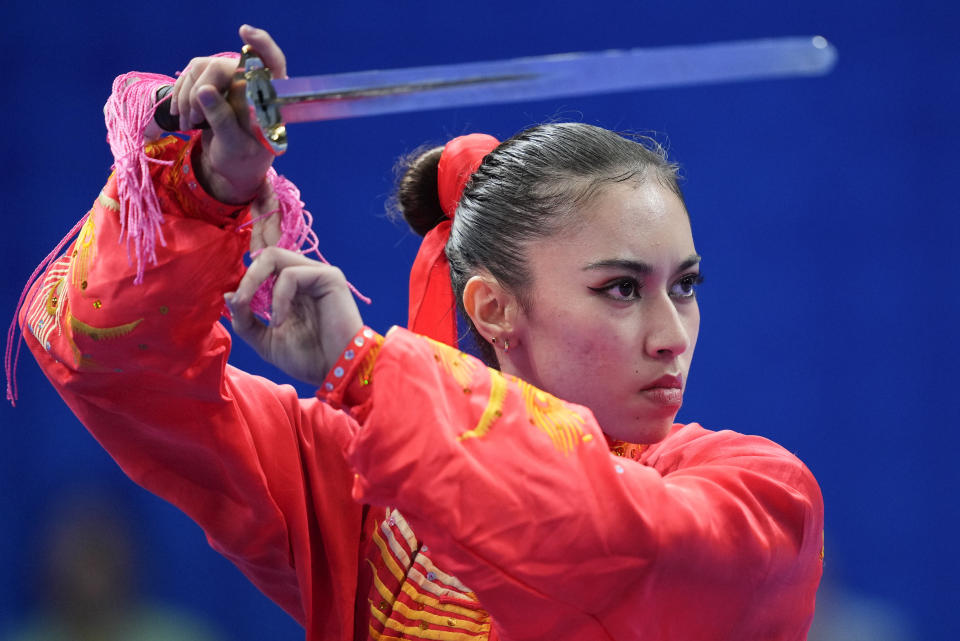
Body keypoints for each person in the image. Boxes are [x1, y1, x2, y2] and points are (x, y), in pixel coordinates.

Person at [16, 25, 823, 641]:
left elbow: (606, 531)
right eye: (621, 288)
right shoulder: (357, 486)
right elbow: (108, 364)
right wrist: (206, 186)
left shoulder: (759, 498)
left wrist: (367, 371)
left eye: (684, 286)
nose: (670, 333)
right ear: (492, 309)